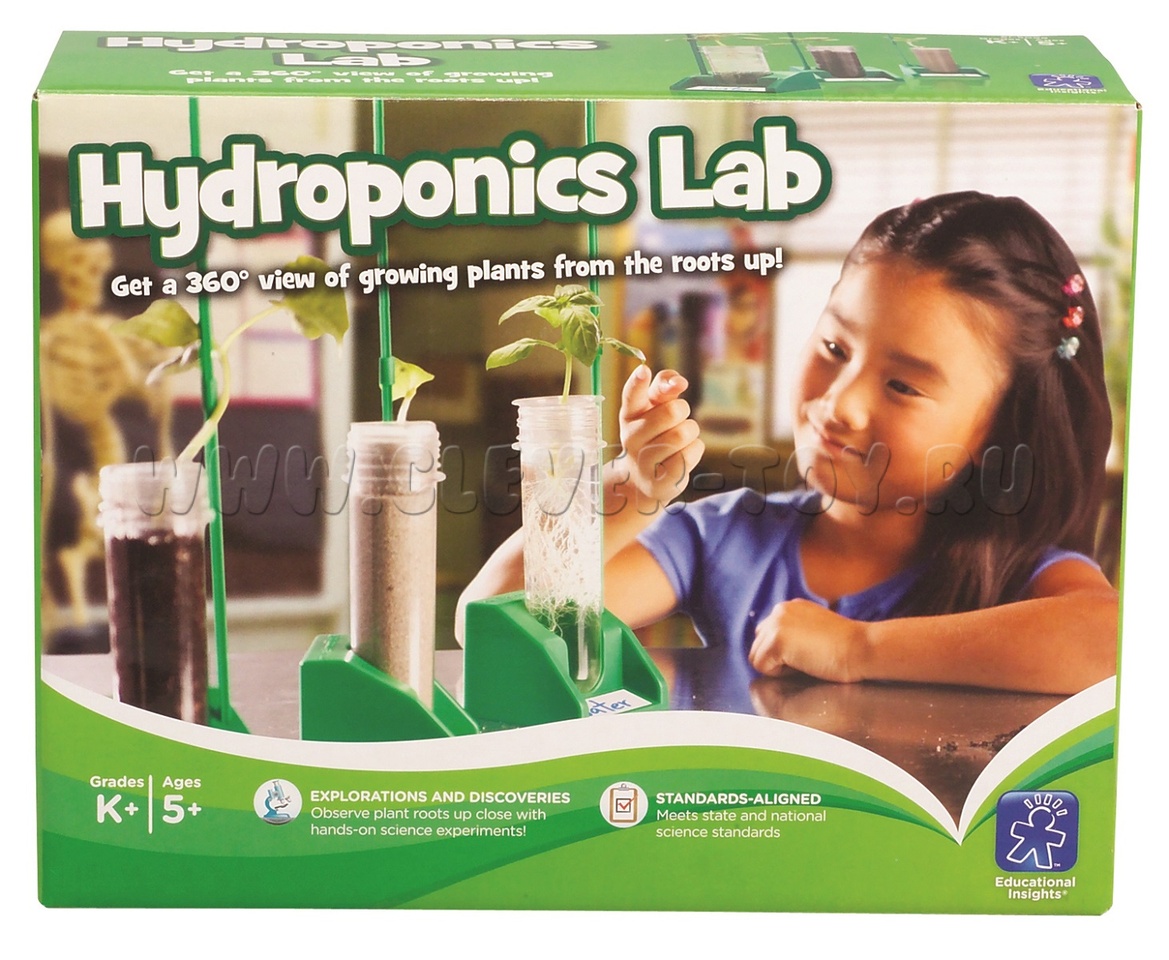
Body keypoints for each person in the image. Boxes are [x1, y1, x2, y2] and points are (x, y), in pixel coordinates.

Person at [460, 192, 1119, 696]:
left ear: (1001, 428)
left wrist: (857, 649)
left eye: (902, 385)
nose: (838, 403)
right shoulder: (723, 537)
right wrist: (635, 487)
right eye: (834, 347)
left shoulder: (1020, 576)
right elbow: (492, 622)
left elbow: (1113, 646)